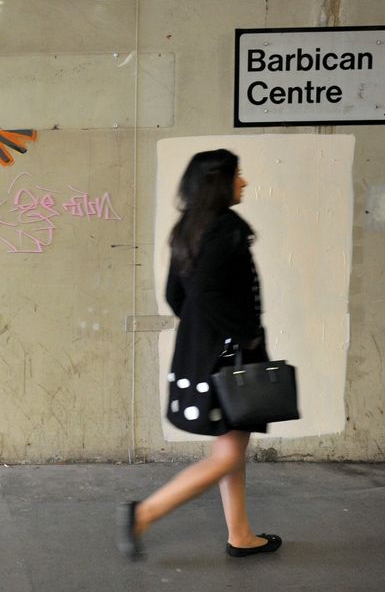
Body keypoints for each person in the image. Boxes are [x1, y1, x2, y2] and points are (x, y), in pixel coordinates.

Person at [118, 149, 282, 559]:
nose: (243, 182)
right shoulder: (225, 229)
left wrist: (201, 332)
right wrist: (246, 337)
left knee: (229, 451)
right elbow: (208, 293)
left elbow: (176, 295)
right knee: (227, 455)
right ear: (218, 183)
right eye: (237, 175)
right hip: (229, 356)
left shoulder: (189, 229)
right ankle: (144, 513)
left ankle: (240, 534)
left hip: (200, 351)